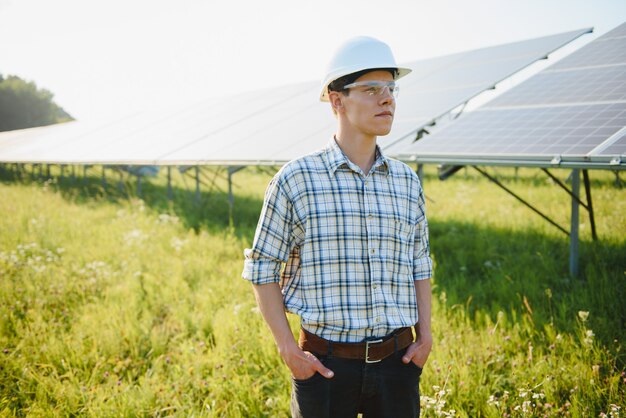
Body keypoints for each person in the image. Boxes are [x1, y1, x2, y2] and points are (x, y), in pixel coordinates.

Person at [242, 36, 433, 418]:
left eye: (391, 89)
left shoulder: (407, 181)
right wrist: (288, 350)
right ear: (337, 100)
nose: (387, 99)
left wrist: (425, 337)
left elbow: (420, 263)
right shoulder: (296, 179)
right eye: (371, 89)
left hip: (399, 362)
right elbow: (262, 268)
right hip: (325, 366)